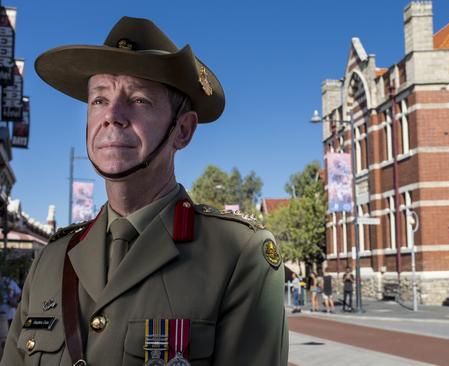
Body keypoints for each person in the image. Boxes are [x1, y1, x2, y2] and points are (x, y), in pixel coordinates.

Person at [0, 17, 288, 365]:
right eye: (99, 100)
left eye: (138, 100)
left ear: (183, 130)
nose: (112, 116)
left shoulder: (239, 256)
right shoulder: (51, 259)